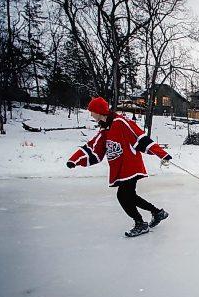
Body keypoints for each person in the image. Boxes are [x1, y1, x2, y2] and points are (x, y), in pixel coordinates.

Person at [67, 96, 172, 237]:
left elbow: (140, 137)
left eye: (92, 111)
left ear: (99, 111)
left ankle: (140, 223)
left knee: (123, 196)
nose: (91, 114)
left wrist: (162, 154)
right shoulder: (105, 129)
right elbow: (93, 147)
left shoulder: (120, 122)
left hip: (131, 166)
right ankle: (158, 212)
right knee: (130, 196)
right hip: (121, 169)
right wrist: (75, 160)